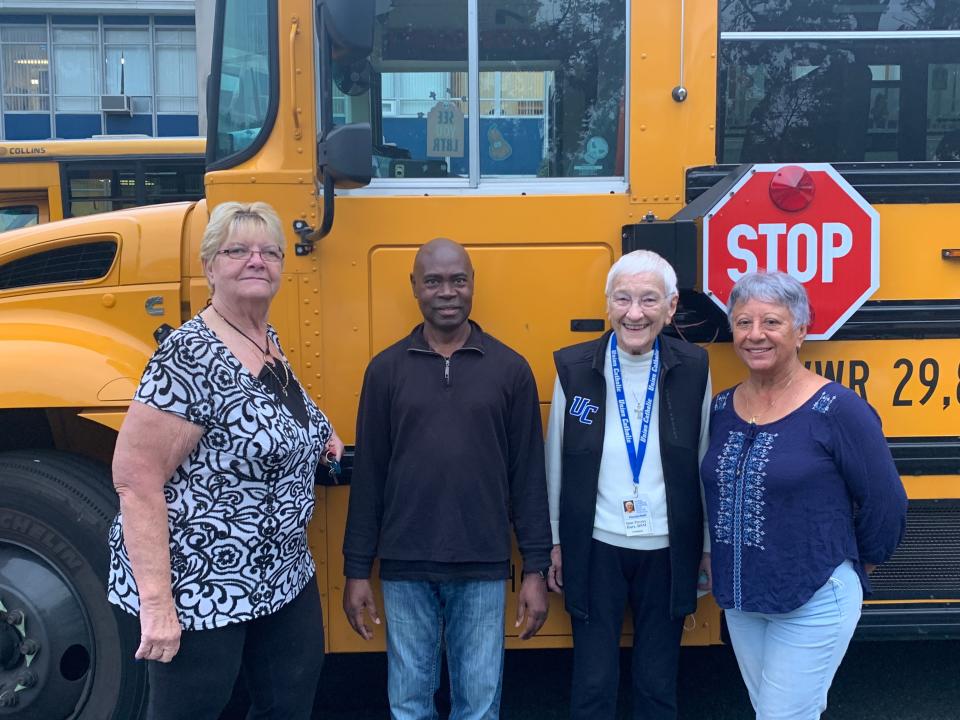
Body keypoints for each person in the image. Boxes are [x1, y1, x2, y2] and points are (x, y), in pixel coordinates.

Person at [108, 201, 343, 720]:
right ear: (210, 266)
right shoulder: (188, 354)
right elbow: (135, 480)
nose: (256, 261)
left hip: (281, 574)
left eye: (269, 252)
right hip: (204, 580)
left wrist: (323, 436)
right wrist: (158, 605)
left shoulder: (263, 339)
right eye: (237, 251)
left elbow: (272, 408)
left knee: (289, 703)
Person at [342, 237, 552, 720]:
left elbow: (528, 479)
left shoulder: (510, 370)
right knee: (409, 705)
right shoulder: (385, 371)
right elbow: (369, 477)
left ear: (472, 284)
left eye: (458, 280)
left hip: (482, 564)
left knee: (478, 707)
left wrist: (535, 570)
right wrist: (357, 571)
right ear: (414, 287)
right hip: (403, 566)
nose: (447, 292)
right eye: (433, 281)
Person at [700, 271, 907, 719]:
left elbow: (886, 503)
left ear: (800, 331)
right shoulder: (720, 407)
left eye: (771, 322)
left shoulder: (837, 409)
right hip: (742, 600)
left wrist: (855, 565)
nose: (755, 335)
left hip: (813, 593)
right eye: (742, 323)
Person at [545, 249, 712, 720]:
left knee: (657, 683)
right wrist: (557, 541)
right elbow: (555, 461)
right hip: (596, 545)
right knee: (593, 682)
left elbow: (702, 458)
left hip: (668, 548)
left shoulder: (693, 367)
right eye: (622, 299)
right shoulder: (573, 368)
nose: (634, 313)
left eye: (648, 300)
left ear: (671, 306)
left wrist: (705, 547)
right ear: (607, 304)